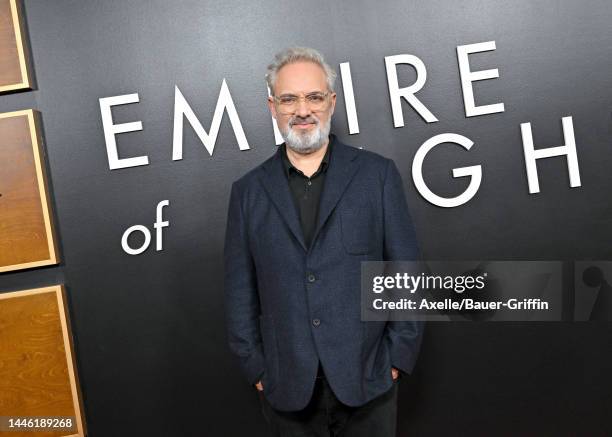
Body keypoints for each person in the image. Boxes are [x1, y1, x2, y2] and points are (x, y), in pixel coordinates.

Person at [224, 47, 424, 436]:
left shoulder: (377, 176)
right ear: (272, 107)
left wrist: (397, 355)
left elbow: (405, 271)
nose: (302, 110)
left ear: (331, 102)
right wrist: (256, 367)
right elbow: (238, 290)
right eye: (289, 99)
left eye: (314, 97)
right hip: (286, 388)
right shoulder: (247, 192)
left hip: (370, 381)